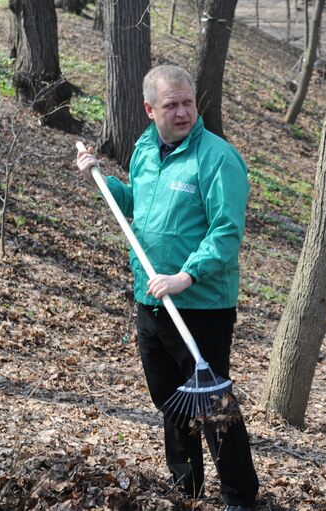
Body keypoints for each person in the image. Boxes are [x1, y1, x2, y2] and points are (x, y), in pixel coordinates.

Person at [76, 65, 259, 511]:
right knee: (171, 403)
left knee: (213, 407)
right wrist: (101, 179)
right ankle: (186, 490)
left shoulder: (217, 159)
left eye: (187, 103)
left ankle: (240, 497)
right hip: (150, 300)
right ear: (149, 109)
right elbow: (138, 206)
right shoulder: (144, 150)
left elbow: (226, 232)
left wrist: (187, 275)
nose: (182, 113)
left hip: (199, 304)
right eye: (171, 105)